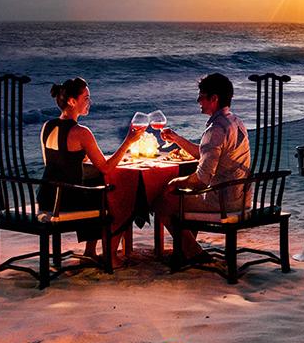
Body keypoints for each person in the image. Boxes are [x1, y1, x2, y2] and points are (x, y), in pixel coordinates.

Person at [41, 77, 145, 264]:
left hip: (46, 196)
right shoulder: (81, 132)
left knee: (93, 185)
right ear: (72, 101)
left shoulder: (47, 126)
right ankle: (110, 257)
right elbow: (106, 168)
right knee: (116, 198)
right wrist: (128, 142)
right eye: (86, 98)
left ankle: (90, 253)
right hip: (65, 201)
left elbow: (56, 161)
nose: (90, 102)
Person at [155, 72, 251, 265]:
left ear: (214, 99)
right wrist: (177, 139)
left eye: (201, 96)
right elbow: (206, 155)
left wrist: (175, 182)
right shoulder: (234, 121)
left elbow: (202, 179)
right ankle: (185, 251)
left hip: (223, 201)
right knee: (182, 196)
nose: (198, 100)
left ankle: (193, 253)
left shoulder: (215, 129)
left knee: (162, 202)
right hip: (242, 197)